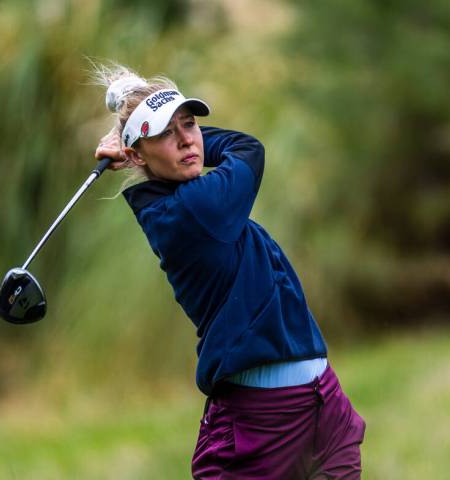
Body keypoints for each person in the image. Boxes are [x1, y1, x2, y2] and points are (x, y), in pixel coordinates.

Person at [93, 64, 365, 479]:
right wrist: (140, 139)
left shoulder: (188, 197)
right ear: (135, 154)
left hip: (323, 402)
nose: (187, 139)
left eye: (190, 124)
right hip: (260, 422)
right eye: (166, 132)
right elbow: (247, 149)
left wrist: (148, 137)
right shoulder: (192, 210)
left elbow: (212, 149)